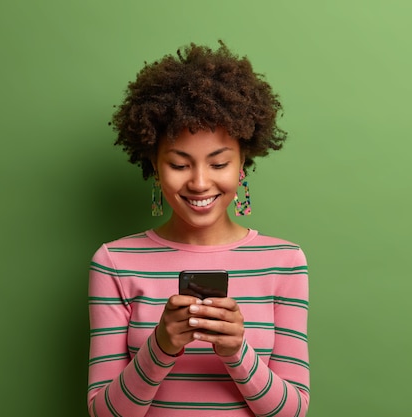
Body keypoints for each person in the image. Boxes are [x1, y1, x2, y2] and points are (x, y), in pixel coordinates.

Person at [88, 41, 310, 416]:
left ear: (242, 165)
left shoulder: (284, 262)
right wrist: (160, 347)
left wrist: (237, 352)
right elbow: (104, 413)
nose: (200, 182)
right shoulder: (114, 262)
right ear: (155, 167)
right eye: (179, 164)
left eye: (219, 163)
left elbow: (294, 412)